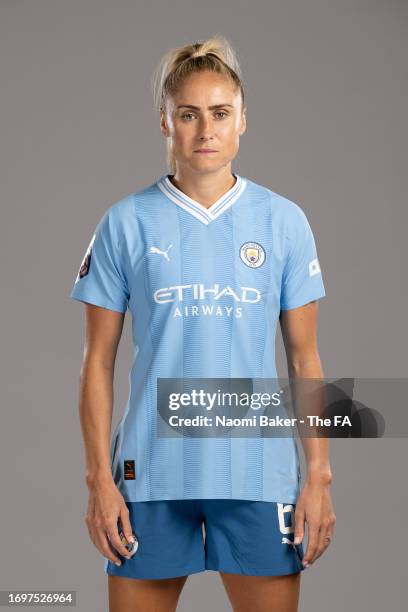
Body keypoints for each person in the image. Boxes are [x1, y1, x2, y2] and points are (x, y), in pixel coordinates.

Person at [70, 33, 335, 612]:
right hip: (150, 478)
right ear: (165, 122)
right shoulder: (125, 222)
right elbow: (98, 361)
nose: (206, 130)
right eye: (188, 114)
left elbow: (302, 358)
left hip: (259, 476)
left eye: (220, 114)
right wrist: (99, 481)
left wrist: (318, 475)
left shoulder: (283, 222)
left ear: (243, 121)